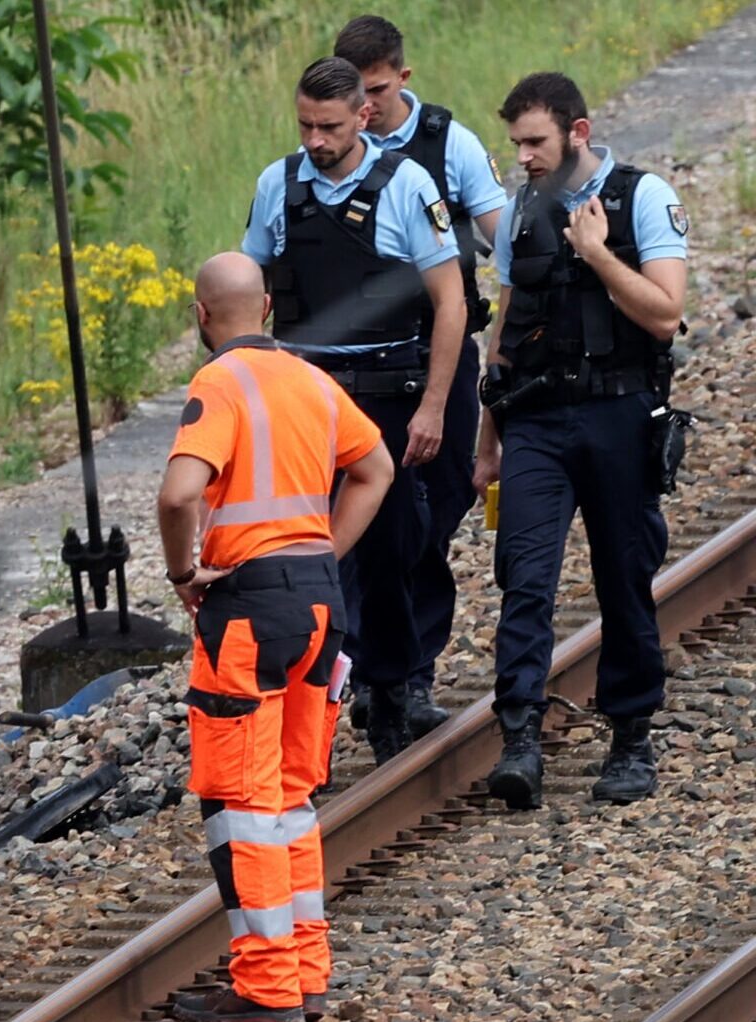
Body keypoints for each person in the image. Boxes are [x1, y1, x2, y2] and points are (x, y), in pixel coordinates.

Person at [158, 254, 396, 1022]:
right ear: (265, 307)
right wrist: (325, 550)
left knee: (241, 803)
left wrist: (183, 570)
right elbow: (376, 468)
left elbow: (179, 493)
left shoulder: (219, 384)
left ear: (202, 317)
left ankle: (265, 990)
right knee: (292, 797)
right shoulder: (312, 381)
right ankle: (306, 972)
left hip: (248, 609)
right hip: (320, 605)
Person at [241, 55, 464, 764]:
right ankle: (327, 692)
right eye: (304, 124)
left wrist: (433, 406)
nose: (314, 139)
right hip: (304, 395)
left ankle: (392, 686)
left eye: (329, 127)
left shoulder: (408, 185)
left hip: (386, 398)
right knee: (307, 556)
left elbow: (450, 303)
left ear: (363, 117)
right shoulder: (276, 185)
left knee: (391, 548)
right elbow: (248, 288)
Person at [474, 72, 688, 808]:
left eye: (535, 142)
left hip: (620, 415)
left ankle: (631, 737)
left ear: (578, 132)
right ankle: (521, 739)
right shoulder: (522, 208)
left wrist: (598, 254)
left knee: (623, 575)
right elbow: (503, 330)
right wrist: (486, 441)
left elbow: (665, 314)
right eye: (516, 144)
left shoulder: (642, 197)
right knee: (524, 576)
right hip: (535, 419)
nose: (524, 157)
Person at [336, 15, 512, 733]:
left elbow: (507, 239)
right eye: (357, 95)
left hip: (437, 354)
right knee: (363, 520)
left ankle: (408, 667)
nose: (367, 109)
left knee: (434, 512)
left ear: (401, 78)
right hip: (360, 370)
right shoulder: (326, 153)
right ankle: (381, 673)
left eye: (376, 91)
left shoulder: (450, 144)